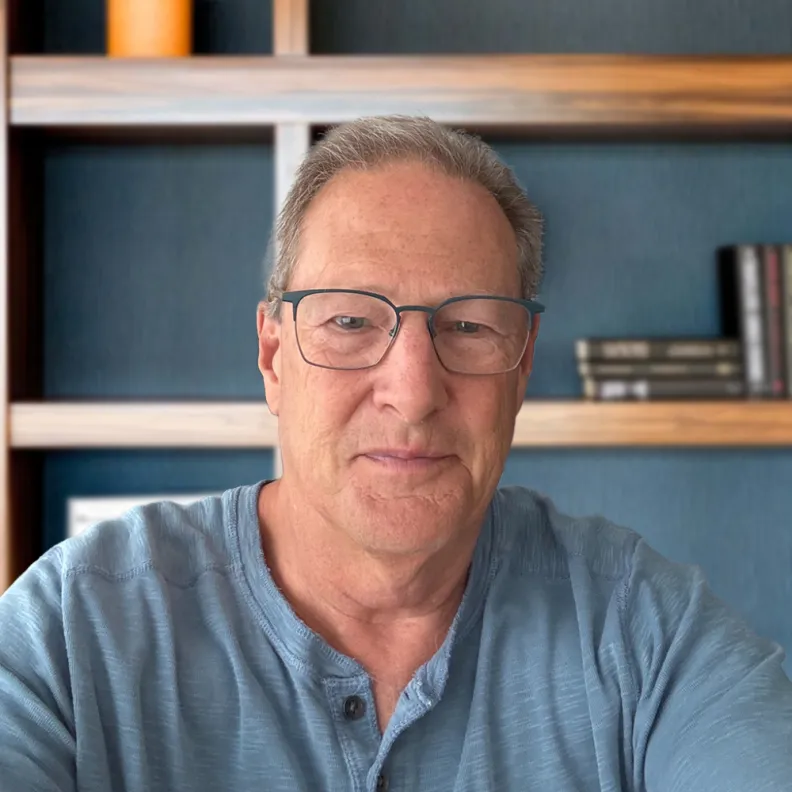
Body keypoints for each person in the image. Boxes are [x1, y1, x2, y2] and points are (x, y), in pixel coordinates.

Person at [1, 115, 791, 792]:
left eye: (471, 325)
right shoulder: (72, 632)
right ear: (274, 357)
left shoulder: (645, 630)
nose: (413, 393)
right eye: (350, 322)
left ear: (521, 365)